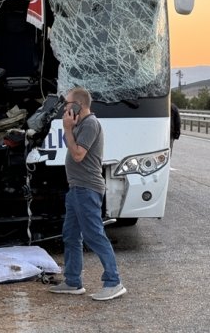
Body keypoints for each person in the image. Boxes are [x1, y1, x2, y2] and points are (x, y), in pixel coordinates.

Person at [48, 86, 127, 301]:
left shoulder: (91, 124)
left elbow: (78, 155)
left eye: (68, 104)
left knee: (94, 235)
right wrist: (70, 128)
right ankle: (73, 281)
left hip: (87, 188)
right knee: (71, 235)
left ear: (78, 105)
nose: (65, 107)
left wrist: (66, 129)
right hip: (76, 188)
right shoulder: (81, 124)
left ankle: (114, 282)